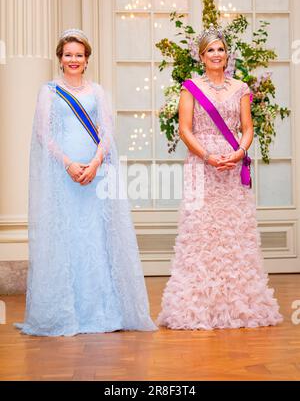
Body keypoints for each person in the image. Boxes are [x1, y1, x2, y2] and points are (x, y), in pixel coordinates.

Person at [15, 29, 157, 336]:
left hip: (95, 174)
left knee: (95, 238)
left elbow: (107, 132)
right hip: (64, 173)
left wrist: (94, 164)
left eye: (79, 54)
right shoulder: (49, 91)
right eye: (68, 54)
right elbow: (43, 133)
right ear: (60, 58)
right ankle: (67, 311)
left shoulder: (97, 92)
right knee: (67, 237)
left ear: (87, 59)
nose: (74, 59)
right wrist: (68, 164)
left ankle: (102, 311)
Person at [157, 24, 283, 330]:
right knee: (201, 233)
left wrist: (239, 153)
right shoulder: (190, 88)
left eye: (221, 49)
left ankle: (239, 305)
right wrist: (207, 156)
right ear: (201, 56)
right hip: (202, 165)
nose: (217, 54)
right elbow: (185, 129)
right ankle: (197, 305)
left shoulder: (240, 87)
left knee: (233, 234)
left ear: (228, 55)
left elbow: (247, 128)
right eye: (211, 50)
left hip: (231, 164)